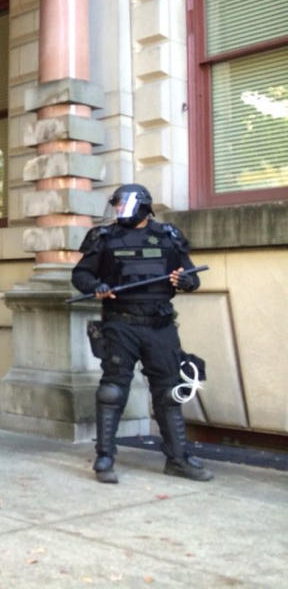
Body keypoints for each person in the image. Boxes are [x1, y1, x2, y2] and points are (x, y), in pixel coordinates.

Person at [72, 183, 213, 484]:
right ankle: (105, 457)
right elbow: (80, 274)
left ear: (142, 207)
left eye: (124, 206)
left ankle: (178, 458)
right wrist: (95, 287)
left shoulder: (168, 236)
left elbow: (189, 277)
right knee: (112, 391)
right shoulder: (105, 237)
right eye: (116, 206)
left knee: (168, 391)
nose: (118, 212)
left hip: (159, 325)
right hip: (120, 324)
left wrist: (184, 280)